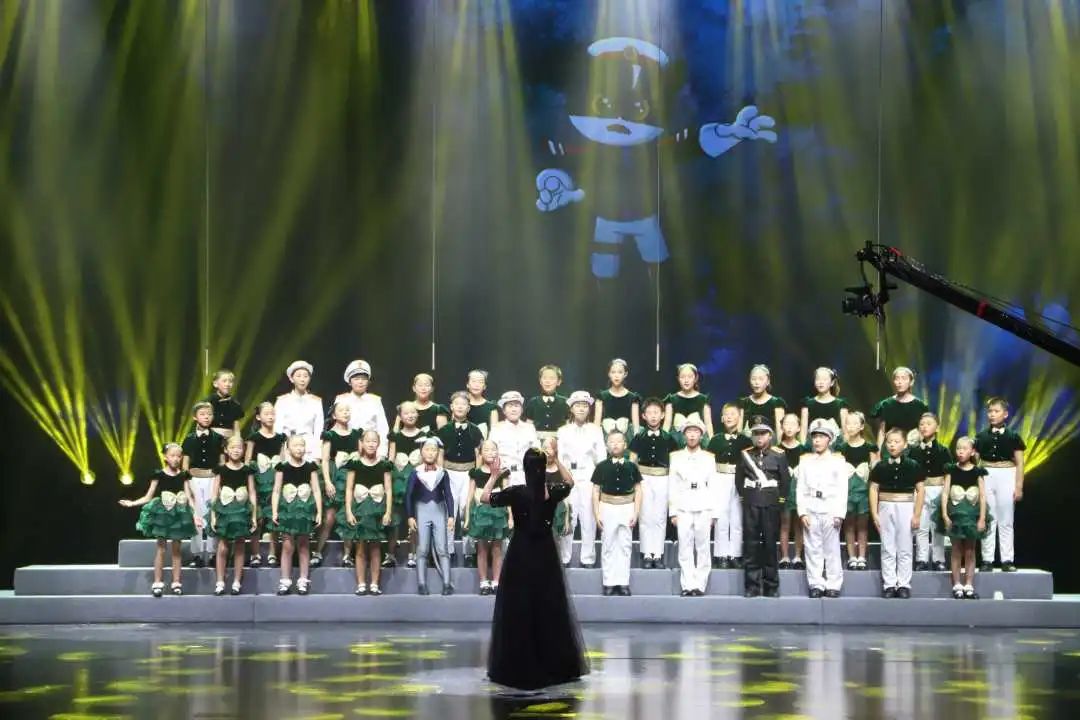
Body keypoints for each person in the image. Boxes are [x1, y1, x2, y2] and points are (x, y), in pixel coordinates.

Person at [481, 448, 589, 690]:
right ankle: (552, 664)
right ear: (543, 467)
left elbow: (485, 497)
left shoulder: (517, 492)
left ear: (525, 468)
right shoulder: (553, 491)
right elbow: (570, 482)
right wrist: (556, 460)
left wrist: (494, 475)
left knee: (520, 605)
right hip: (545, 553)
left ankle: (519, 663)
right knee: (548, 605)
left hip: (521, 553)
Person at [119, 443, 198, 597]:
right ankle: (157, 582)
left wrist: (195, 515)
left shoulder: (184, 475)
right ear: (165, 457)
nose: (176, 459)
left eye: (178, 456)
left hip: (179, 513)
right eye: (172, 456)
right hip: (163, 513)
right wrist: (132, 503)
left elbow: (189, 497)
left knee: (176, 550)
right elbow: (148, 496)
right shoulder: (158, 475)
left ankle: (176, 582)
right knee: (161, 549)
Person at [735, 416, 790, 598]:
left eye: (763, 433)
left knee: (769, 544)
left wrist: (779, 501)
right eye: (756, 434)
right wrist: (746, 497)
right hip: (751, 502)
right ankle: (751, 586)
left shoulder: (779, 455)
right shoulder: (745, 454)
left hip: (770, 504)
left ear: (770, 435)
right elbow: (739, 480)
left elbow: (785, 481)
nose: (759, 437)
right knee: (750, 545)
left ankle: (771, 586)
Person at [794, 419, 850, 599]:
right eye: (815, 437)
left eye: (821, 437)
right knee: (812, 548)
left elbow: (842, 489)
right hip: (811, 506)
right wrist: (802, 511)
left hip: (830, 507)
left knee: (831, 549)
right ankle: (816, 583)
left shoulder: (838, 461)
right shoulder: (805, 461)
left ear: (829, 439)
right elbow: (800, 488)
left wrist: (840, 513)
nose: (817, 440)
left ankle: (833, 584)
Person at [870, 428, 925, 598]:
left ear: (905, 444)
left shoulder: (913, 465)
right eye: (889, 442)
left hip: (906, 506)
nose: (892, 445)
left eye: (896, 441)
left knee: (905, 546)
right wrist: (875, 513)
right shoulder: (880, 466)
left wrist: (917, 515)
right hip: (885, 506)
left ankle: (903, 585)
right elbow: (873, 489)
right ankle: (889, 584)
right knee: (887, 547)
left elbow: (921, 490)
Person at [974, 397, 1026, 572]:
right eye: (990, 411)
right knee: (988, 517)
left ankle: (1007, 559)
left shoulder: (1013, 437)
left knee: (1006, 519)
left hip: (1007, 474)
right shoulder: (981, 436)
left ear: (1005, 414)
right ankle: (987, 559)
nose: (992, 414)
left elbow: (1020, 462)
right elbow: (975, 461)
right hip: (986, 474)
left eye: (996, 411)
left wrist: (1018, 486)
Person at [555, 391, 606, 568]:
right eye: (578, 405)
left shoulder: (595, 430)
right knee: (568, 516)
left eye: (585, 405)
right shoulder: (563, 431)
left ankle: (588, 558)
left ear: (589, 409)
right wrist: (564, 478)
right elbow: (560, 457)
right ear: (571, 408)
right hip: (569, 476)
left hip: (589, 475)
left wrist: (598, 481)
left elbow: (601, 457)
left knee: (588, 518)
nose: (581, 409)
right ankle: (564, 557)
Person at [339, 430, 393, 596]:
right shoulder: (355, 464)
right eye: (368, 441)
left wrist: (388, 512)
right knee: (360, 547)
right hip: (360, 508)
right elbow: (349, 489)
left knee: (376, 547)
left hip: (377, 508)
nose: (371, 444)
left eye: (374, 441)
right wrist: (349, 511)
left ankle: (375, 584)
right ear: (362, 443)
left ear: (379, 444)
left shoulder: (384, 465)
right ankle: (361, 583)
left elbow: (388, 489)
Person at [936, 437, 991, 599]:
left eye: (964, 449)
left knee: (970, 550)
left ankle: (969, 584)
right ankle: (957, 584)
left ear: (972, 452)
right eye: (958, 448)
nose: (960, 452)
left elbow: (982, 496)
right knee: (956, 549)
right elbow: (945, 493)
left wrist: (982, 518)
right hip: (955, 513)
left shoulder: (978, 472)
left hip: (972, 515)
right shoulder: (951, 470)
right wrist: (944, 514)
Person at [668, 417, 717, 597]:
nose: (692, 435)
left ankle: (699, 585)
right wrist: (673, 512)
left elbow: (713, 485)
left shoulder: (709, 458)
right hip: (683, 504)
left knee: (703, 547)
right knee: (685, 546)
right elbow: (672, 485)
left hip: (704, 504)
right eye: (689, 431)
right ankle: (687, 584)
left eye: (696, 431)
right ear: (684, 434)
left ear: (701, 435)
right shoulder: (676, 457)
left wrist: (713, 513)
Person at [628, 398, 679, 568]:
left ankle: (658, 554)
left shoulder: (669, 438)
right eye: (649, 413)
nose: (653, 416)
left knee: (659, 516)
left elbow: (675, 462)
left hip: (663, 478)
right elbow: (632, 460)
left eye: (656, 412)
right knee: (645, 516)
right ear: (643, 416)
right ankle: (646, 554)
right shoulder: (638, 437)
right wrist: (635, 481)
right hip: (643, 478)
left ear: (663, 415)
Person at [591, 431, 642, 596]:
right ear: (607, 446)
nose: (615, 444)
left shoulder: (632, 466)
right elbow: (595, 491)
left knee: (625, 545)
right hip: (607, 506)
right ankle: (609, 582)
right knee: (608, 544)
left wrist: (636, 512)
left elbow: (638, 490)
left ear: (625, 445)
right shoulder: (601, 466)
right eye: (611, 441)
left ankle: (623, 582)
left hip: (627, 507)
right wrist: (597, 513)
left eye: (619, 441)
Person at [437, 392, 484, 566]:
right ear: (451, 407)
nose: (459, 407)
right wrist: (440, 473)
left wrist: (477, 475)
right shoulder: (444, 430)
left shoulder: (475, 430)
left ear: (468, 408)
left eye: (463, 404)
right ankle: (448, 551)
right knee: (449, 512)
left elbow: (479, 455)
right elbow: (440, 453)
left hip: (468, 474)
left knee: (467, 510)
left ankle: (468, 552)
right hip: (448, 473)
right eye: (456, 404)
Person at [271, 435, 322, 596]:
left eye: (302, 445)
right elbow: (276, 490)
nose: (299, 448)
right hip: (288, 509)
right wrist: (275, 511)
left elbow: (316, 490)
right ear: (288, 449)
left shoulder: (310, 467)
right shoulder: (282, 467)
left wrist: (319, 511)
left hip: (305, 509)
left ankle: (303, 580)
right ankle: (285, 581)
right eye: (295, 445)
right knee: (287, 545)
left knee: (304, 544)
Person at [404, 437, 455, 595]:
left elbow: (448, 495)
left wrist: (451, 516)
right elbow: (408, 495)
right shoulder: (416, 472)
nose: (430, 453)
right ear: (421, 452)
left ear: (438, 453)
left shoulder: (442, 473)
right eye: (427, 449)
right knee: (422, 548)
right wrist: (410, 516)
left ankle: (446, 583)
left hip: (439, 511)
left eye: (434, 450)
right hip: (422, 510)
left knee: (442, 548)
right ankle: (421, 584)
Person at [314, 401, 362, 568]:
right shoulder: (330, 435)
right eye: (342, 410)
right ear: (334, 415)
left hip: (352, 476)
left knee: (350, 514)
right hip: (335, 476)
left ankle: (348, 555)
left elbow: (361, 456)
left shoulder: (356, 434)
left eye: (348, 410)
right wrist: (327, 482)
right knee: (329, 517)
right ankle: (317, 552)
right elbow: (325, 460)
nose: (345, 413)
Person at [208, 436, 257, 596]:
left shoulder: (247, 470)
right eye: (233, 447)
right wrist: (213, 515)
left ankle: (236, 581)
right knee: (223, 545)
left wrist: (253, 515)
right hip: (225, 510)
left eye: (239, 448)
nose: (236, 450)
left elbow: (252, 492)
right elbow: (214, 494)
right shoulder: (220, 470)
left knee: (240, 544)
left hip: (242, 510)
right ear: (226, 450)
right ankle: (220, 581)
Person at [705, 403, 751, 569]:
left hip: (739, 479)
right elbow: (709, 463)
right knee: (721, 517)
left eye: (733, 414)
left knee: (737, 518)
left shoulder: (746, 441)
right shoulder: (715, 440)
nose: (730, 417)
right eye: (727, 414)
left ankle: (735, 554)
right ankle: (721, 554)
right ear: (722, 418)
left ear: (739, 417)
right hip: (720, 478)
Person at [466, 440, 514, 595]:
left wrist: (511, 516)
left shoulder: (503, 472)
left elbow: (508, 495)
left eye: (493, 449)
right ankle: (483, 582)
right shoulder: (475, 473)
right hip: (481, 512)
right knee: (481, 548)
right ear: (480, 453)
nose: (490, 453)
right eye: (486, 450)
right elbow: (470, 496)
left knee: (497, 548)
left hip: (498, 512)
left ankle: (496, 581)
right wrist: (467, 517)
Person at [181, 401, 225, 568]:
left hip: (213, 479)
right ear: (195, 417)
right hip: (194, 479)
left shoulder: (218, 438)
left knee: (212, 513)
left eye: (209, 414)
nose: (206, 417)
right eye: (202, 414)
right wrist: (185, 482)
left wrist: (221, 481)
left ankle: (213, 553)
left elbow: (222, 462)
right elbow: (185, 463)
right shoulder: (189, 439)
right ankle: (197, 554)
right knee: (196, 515)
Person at [907, 413, 952, 571]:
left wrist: (946, 493)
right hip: (919, 491)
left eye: (928, 423)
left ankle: (939, 559)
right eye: (922, 424)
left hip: (938, 490)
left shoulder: (943, 451)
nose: (924, 427)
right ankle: (922, 559)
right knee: (921, 526)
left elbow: (948, 475)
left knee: (937, 527)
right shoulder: (913, 452)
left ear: (937, 427)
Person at [386, 401, 428, 568]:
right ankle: (390, 554)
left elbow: (426, 458)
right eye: (406, 413)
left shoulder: (424, 435)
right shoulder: (395, 436)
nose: (410, 416)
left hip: (417, 479)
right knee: (395, 518)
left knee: (415, 517)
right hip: (398, 479)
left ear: (417, 414)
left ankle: (414, 553)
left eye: (413, 412)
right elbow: (391, 457)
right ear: (400, 416)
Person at [834, 411, 878, 571]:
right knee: (849, 525)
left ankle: (862, 557)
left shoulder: (870, 447)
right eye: (848, 423)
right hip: (846, 491)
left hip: (864, 491)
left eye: (854, 423)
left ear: (861, 426)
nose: (851, 426)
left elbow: (876, 472)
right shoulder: (841, 448)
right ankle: (852, 556)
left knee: (863, 525)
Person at [334, 359, 390, 458]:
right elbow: (334, 428)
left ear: (368, 382)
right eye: (356, 379)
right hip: (346, 450)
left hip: (371, 451)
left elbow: (383, 428)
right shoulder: (341, 400)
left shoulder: (375, 401)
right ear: (350, 382)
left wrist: (381, 454)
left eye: (364, 379)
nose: (360, 382)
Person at [273, 360, 325, 463]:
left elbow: (319, 430)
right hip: (287, 447)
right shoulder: (282, 401)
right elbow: (277, 428)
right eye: (298, 376)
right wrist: (278, 453)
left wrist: (317, 455)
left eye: (305, 376)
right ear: (291, 379)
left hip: (308, 448)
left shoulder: (316, 401)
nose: (302, 379)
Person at [870, 366, 929, 449]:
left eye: (904, 378)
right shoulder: (886, 404)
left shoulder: (920, 405)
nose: (900, 382)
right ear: (893, 381)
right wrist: (878, 451)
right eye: (897, 379)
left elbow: (923, 431)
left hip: (913, 449)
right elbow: (882, 431)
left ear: (911, 382)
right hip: (892, 448)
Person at [489, 391, 540, 487]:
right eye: (510, 406)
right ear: (504, 411)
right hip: (504, 477)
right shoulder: (496, 429)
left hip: (527, 476)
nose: (514, 409)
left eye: (516, 406)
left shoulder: (529, 428)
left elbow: (537, 452)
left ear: (521, 409)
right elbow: (491, 454)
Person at [776, 413, 807, 569]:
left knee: (799, 524)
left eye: (793, 424)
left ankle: (798, 557)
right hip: (784, 490)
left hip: (801, 489)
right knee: (785, 523)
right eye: (786, 424)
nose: (789, 427)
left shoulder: (804, 449)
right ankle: (784, 557)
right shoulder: (777, 449)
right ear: (781, 427)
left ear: (799, 428)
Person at [664, 363, 713, 444]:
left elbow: (708, 423)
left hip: (698, 440)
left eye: (690, 377)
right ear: (678, 379)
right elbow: (667, 424)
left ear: (696, 378)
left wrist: (711, 442)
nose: (686, 380)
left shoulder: (703, 399)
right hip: (675, 439)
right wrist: (663, 441)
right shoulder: (671, 399)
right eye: (683, 377)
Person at [594, 358, 641, 438]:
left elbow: (636, 426)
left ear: (625, 374)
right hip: (605, 436)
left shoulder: (633, 398)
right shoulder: (602, 396)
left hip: (626, 437)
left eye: (620, 372)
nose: (616, 375)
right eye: (613, 372)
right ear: (609, 374)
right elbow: (597, 423)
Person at [799, 367, 848, 442]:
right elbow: (803, 431)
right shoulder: (808, 403)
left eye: (825, 379)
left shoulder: (840, 404)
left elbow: (845, 432)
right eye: (818, 379)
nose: (821, 382)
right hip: (813, 444)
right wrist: (803, 447)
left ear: (832, 382)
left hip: (835, 445)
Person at [738, 364, 786, 436]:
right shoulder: (744, 402)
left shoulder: (776, 402)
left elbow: (780, 432)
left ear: (768, 381)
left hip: (771, 441)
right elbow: (739, 431)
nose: (756, 382)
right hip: (748, 441)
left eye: (761, 379)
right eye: (753, 379)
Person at [525, 364, 569, 442]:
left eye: (552, 378)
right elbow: (528, 425)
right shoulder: (533, 402)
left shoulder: (565, 402)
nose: (547, 381)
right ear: (540, 381)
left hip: (560, 441)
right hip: (537, 441)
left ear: (559, 382)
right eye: (544, 378)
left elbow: (569, 425)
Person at [205, 369, 243, 438]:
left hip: (229, 439)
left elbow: (236, 428)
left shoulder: (235, 404)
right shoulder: (207, 402)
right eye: (224, 381)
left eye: (230, 381)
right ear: (215, 384)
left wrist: (237, 439)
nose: (227, 384)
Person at [465, 369, 500, 437]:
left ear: (484, 386)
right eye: (473, 381)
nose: (476, 385)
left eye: (480, 382)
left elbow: (494, 432)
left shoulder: (491, 407)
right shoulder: (460, 404)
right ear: (467, 385)